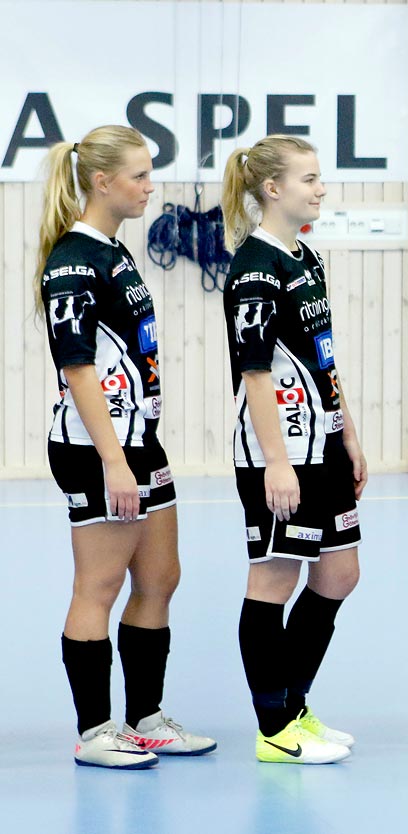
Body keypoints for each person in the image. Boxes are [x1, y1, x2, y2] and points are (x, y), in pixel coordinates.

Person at [39, 125, 215, 769]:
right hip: (95, 448)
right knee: (101, 582)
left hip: (141, 443)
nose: (150, 187)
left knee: (161, 577)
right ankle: (95, 731)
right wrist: (113, 458)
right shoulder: (73, 260)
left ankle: (145, 718)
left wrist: (137, 448)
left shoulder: (116, 252)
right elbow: (78, 368)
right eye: (139, 176)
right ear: (101, 181)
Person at [223, 136, 365, 765]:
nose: (321, 189)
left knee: (339, 573)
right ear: (272, 189)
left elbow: (321, 355)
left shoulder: (304, 257)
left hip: (324, 440)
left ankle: (297, 707)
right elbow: (256, 373)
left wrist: (349, 431)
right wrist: (276, 460)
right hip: (280, 451)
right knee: (274, 580)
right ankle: (275, 726)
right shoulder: (255, 268)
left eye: (321, 177)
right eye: (309, 179)